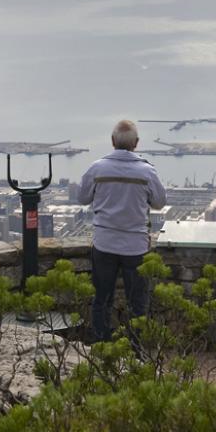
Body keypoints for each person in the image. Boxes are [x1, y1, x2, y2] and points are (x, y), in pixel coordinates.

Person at [79, 119, 167, 340]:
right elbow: (159, 202)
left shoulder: (97, 168)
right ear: (136, 143)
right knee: (137, 302)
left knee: (101, 298)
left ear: (112, 141)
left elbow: (82, 197)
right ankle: (135, 352)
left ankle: (101, 346)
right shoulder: (147, 171)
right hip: (135, 246)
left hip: (104, 243)